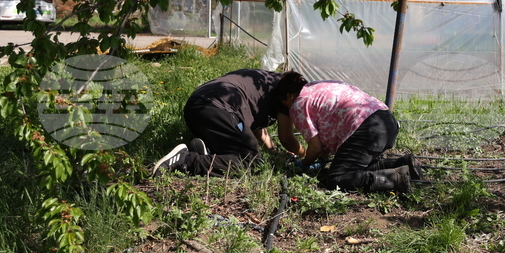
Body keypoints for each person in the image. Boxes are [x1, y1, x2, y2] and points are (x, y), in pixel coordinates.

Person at [280, 72, 421, 193]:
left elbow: (315, 147)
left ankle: (395, 179)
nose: (287, 109)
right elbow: (324, 139)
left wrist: (305, 164)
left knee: (337, 178)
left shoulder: (298, 104)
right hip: (385, 121)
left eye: (284, 104)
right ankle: (404, 164)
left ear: (289, 96)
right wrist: (323, 158)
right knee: (356, 166)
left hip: (365, 127)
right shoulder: (321, 86)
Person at [152, 68, 298, 176]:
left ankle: (208, 154)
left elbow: (256, 125)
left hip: (195, 107)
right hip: (218, 108)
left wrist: (273, 150)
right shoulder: (288, 96)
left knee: (238, 149)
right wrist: (305, 155)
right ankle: (186, 160)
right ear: (291, 97)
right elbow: (287, 139)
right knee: (251, 161)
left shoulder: (267, 82)